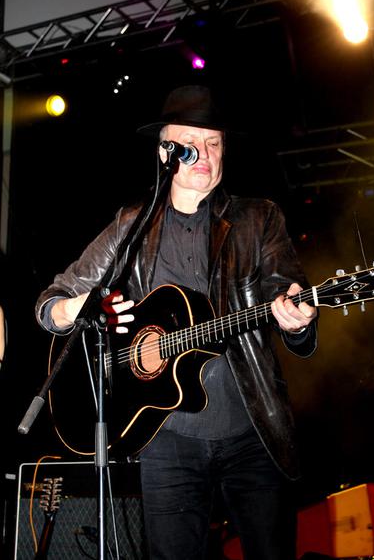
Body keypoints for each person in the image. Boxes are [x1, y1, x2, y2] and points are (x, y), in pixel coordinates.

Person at [35, 84, 318, 560]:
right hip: (164, 438)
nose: (204, 153)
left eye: (214, 143)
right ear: (166, 151)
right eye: (190, 143)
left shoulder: (258, 219)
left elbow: (288, 296)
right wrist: (74, 308)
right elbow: (51, 303)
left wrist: (296, 321)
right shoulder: (131, 226)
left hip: (252, 431)